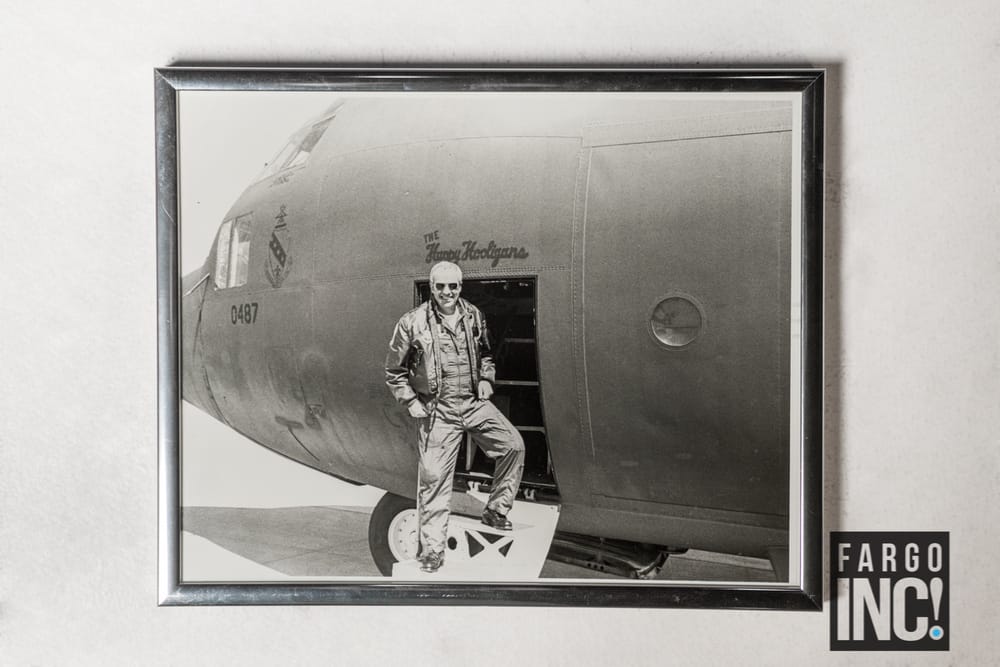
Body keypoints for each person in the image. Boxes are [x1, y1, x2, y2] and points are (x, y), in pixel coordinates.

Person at [385, 261, 525, 573]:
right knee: (434, 481)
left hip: (472, 402)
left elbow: (487, 354)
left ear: (461, 287)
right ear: (431, 287)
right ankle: (432, 552)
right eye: (440, 286)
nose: (447, 292)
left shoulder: (473, 315)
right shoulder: (412, 322)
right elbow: (393, 372)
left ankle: (496, 511)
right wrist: (410, 402)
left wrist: (487, 379)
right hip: (439, 410)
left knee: (513, 446)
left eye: (454, 286)